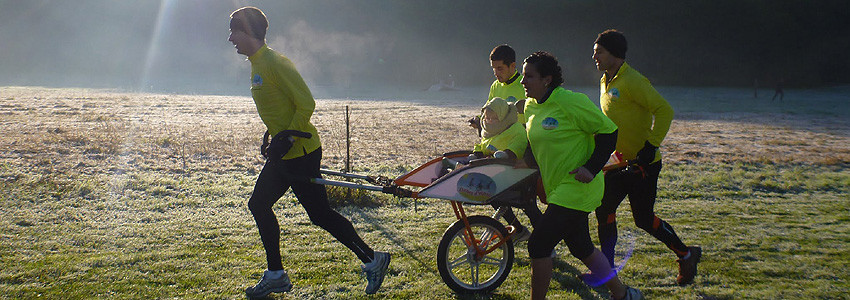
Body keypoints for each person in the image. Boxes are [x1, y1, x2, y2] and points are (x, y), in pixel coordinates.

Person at [228, 7, 389, 298]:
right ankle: (276, 274)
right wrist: (273, 137)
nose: (230, 39)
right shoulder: (256, 63)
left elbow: (306, 104)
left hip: (301, 152)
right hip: (284, 154)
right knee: (260, 205)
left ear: (248, 32)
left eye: (234, 31)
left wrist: (288, 136)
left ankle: (373, 259)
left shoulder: (275, 63)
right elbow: (279, 109)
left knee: (320, 215)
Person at [521, 51, 642, 300]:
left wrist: (591, 167)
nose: (523, 82)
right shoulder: (531, 105)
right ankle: (623, 294)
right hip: (558, 189)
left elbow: (609, 132)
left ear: (547, 79)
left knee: (538, 245)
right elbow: (533, 145)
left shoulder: (570, 101)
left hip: (578, 186)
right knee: (580, 246)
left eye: (528, 76)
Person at [592, 29, 701, 285]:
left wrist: (651, 145)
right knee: (604, 210)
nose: (594, 56)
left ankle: (686, 254)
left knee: (643, 219)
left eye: (599, 52)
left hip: (643, 166)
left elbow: (664, 110)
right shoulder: (606, 79)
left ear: (614, 54)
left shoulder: (633, 80)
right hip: (617, 164)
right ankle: (606, 271)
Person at [470, 45, 542, 244]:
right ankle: (518, 230)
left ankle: (546, 241)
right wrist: (478, 120)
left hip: (524, 148)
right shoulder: (496, 86)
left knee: (526, 202)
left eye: (500, 68)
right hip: (501, 148)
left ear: (513, 66)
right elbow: (489, 108)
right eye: (493, 69)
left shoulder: (525, 84)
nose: (496, 73)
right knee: (494, 193)